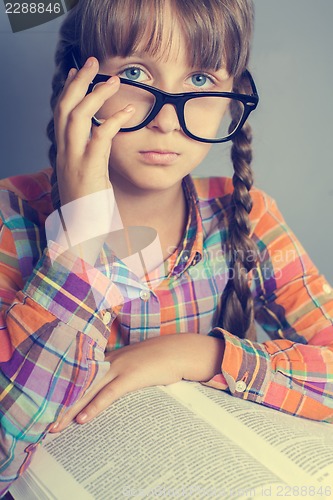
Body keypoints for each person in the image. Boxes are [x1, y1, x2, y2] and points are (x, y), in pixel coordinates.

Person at [0, 0, 332, 494]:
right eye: (135, 70)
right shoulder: (13, 215)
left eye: (199, 80)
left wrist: (198, 354)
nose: (168, 120)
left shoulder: (247, 217)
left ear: (232, 95)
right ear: (80, 84)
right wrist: (81, 233)